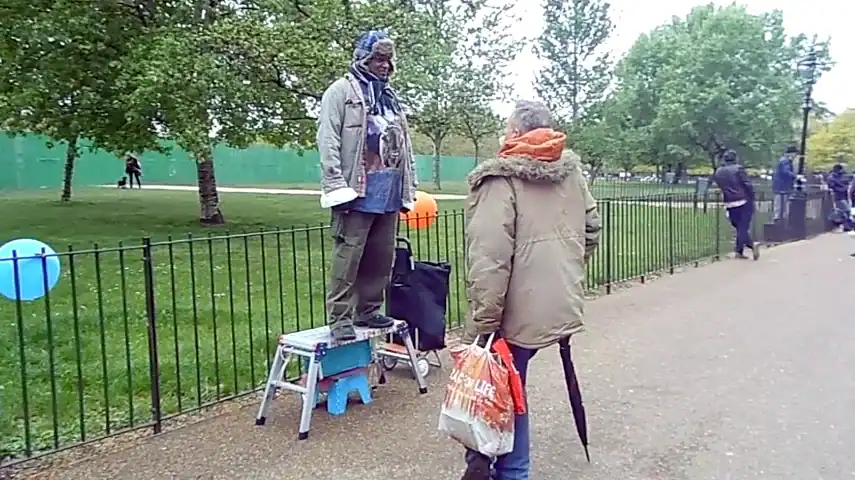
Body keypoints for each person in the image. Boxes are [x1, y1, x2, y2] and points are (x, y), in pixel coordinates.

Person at [460, 100, 601, 480]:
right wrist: (561, 271)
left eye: (506, 129)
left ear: (518, 133)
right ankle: (495, 464)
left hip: (513, 314)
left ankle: (511, 471)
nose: (502, 136)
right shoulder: (570, 174)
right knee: (513, 381)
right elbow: (591, 231)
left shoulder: (499, 179)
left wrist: (483, 327)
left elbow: (490, 259)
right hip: (556, 303)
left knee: (506, 390)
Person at [316, 30, 418, 342]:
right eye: (377, 58)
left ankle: (369, 311)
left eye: (388, 59)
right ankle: (340, 319)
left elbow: (405, 145)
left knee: (380, 258)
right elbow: (328, 138)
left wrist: (409, 186)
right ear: (363, 58)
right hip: (356, 193)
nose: (384, 65)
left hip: (388, 192)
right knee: (348, 260)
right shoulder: (341, 92)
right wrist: (334, 182)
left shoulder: (390, 98)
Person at [712, 150, 759, 260]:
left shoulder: (719, 172)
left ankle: (739, 251)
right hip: (743, 200)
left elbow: (720, 185)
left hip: (729, 202)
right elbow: (747, 184)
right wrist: (752, 196)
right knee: (743, 227)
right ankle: (751, 245)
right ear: (735, 158)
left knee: (738, 227)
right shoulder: (738, 169)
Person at [771, 145, 798, 221]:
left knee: (781, 202)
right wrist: (795, 176)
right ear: (790, 153)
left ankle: (780, 217)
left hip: (781, 186)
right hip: (782, 187)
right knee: (781, 202)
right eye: (794, 154)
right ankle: (779, 218)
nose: (795, 156)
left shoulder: (784, 160)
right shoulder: (785, 161)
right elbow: (785, 172)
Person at [826, 163, 854, 232]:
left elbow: (845, 183)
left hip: (844, 196)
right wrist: (844, 188)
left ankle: (845, 225)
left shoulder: (840, 176)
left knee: (842, 211)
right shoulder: (831, 177)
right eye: (840, 169)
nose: (841, 171)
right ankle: (842, 224)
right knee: (846, 210)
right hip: (838, 196)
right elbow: (833, 187)